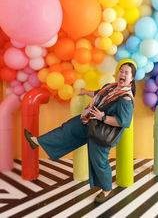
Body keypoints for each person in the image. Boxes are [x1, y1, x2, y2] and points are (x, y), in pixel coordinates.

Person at [24, 59, 137, 203]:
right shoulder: (111, 87)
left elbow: (123, 122)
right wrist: (84, 92)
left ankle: (107, 189)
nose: (122, 74)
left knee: (99, 161)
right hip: (90, 119)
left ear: (131, 78)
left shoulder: (125, 98)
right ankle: (37, 141)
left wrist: (102, 117)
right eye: (121, 71)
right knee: (68, 129)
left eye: (126, 73)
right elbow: (98, 93)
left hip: (102, 131)